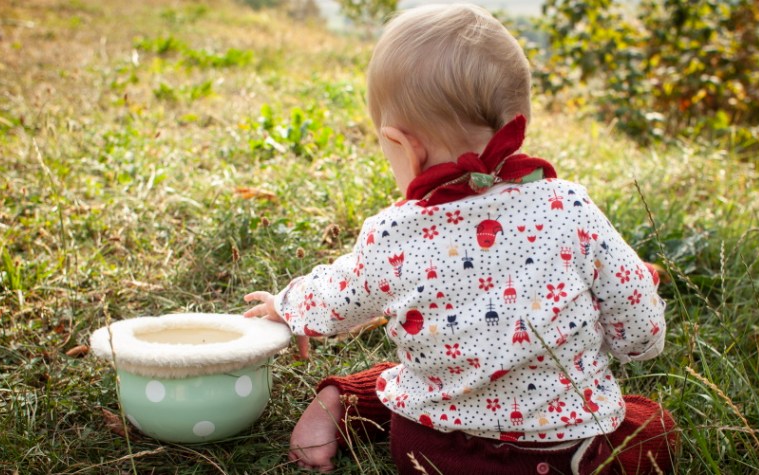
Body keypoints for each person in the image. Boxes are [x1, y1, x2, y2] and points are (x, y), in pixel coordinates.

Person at [244, 4, 676, 474]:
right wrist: (618, 336)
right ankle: (352, 401)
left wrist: (287, 306)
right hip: (566, 454)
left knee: (419, 382)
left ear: (404, 145)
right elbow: (641, 332)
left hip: (431, 452)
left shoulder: (393, 234)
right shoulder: (568, 207)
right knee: (655, 424)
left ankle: (344, 401)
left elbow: (336, 295)